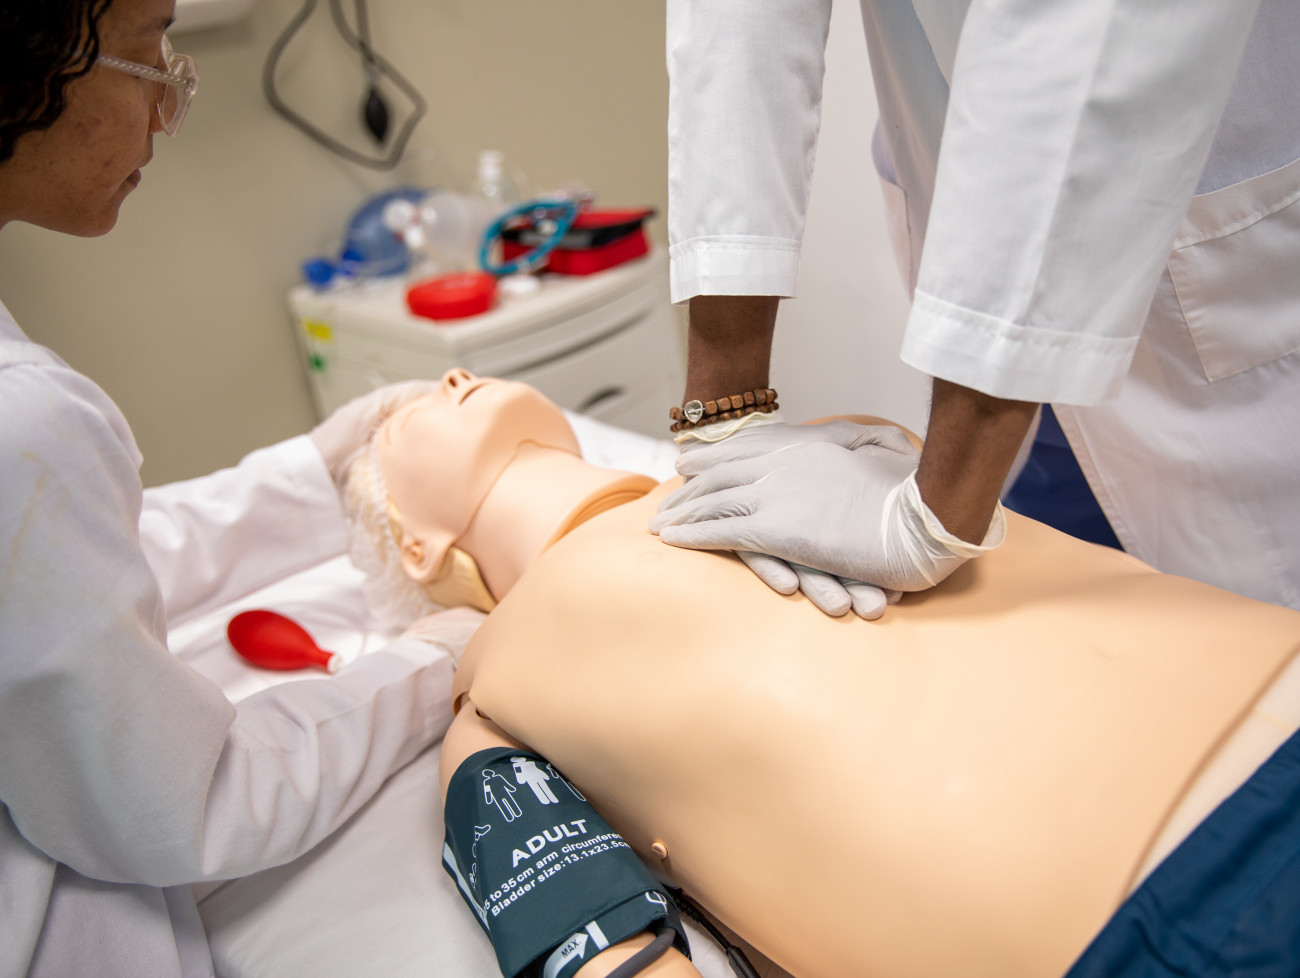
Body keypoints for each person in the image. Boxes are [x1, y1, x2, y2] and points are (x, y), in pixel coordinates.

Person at [343, 368, 1300, 978]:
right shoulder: (491, 699)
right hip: (1163, 910)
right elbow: (603, 951)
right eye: (404, 415)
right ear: (417, 551)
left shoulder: (800, 450)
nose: (455, 374)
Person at [0, 3, 481, 975]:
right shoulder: (24, 424)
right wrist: (436, 662)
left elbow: (55, 577)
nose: (167, 105)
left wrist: (311, 479)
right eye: (147, 53)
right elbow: (186, 805)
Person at [652, 0, 1300, 618]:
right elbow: (736, 23)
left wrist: (941, 512)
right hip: (1011, 346)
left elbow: (1077, 39)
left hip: (1208, 294)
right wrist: (723, 416)